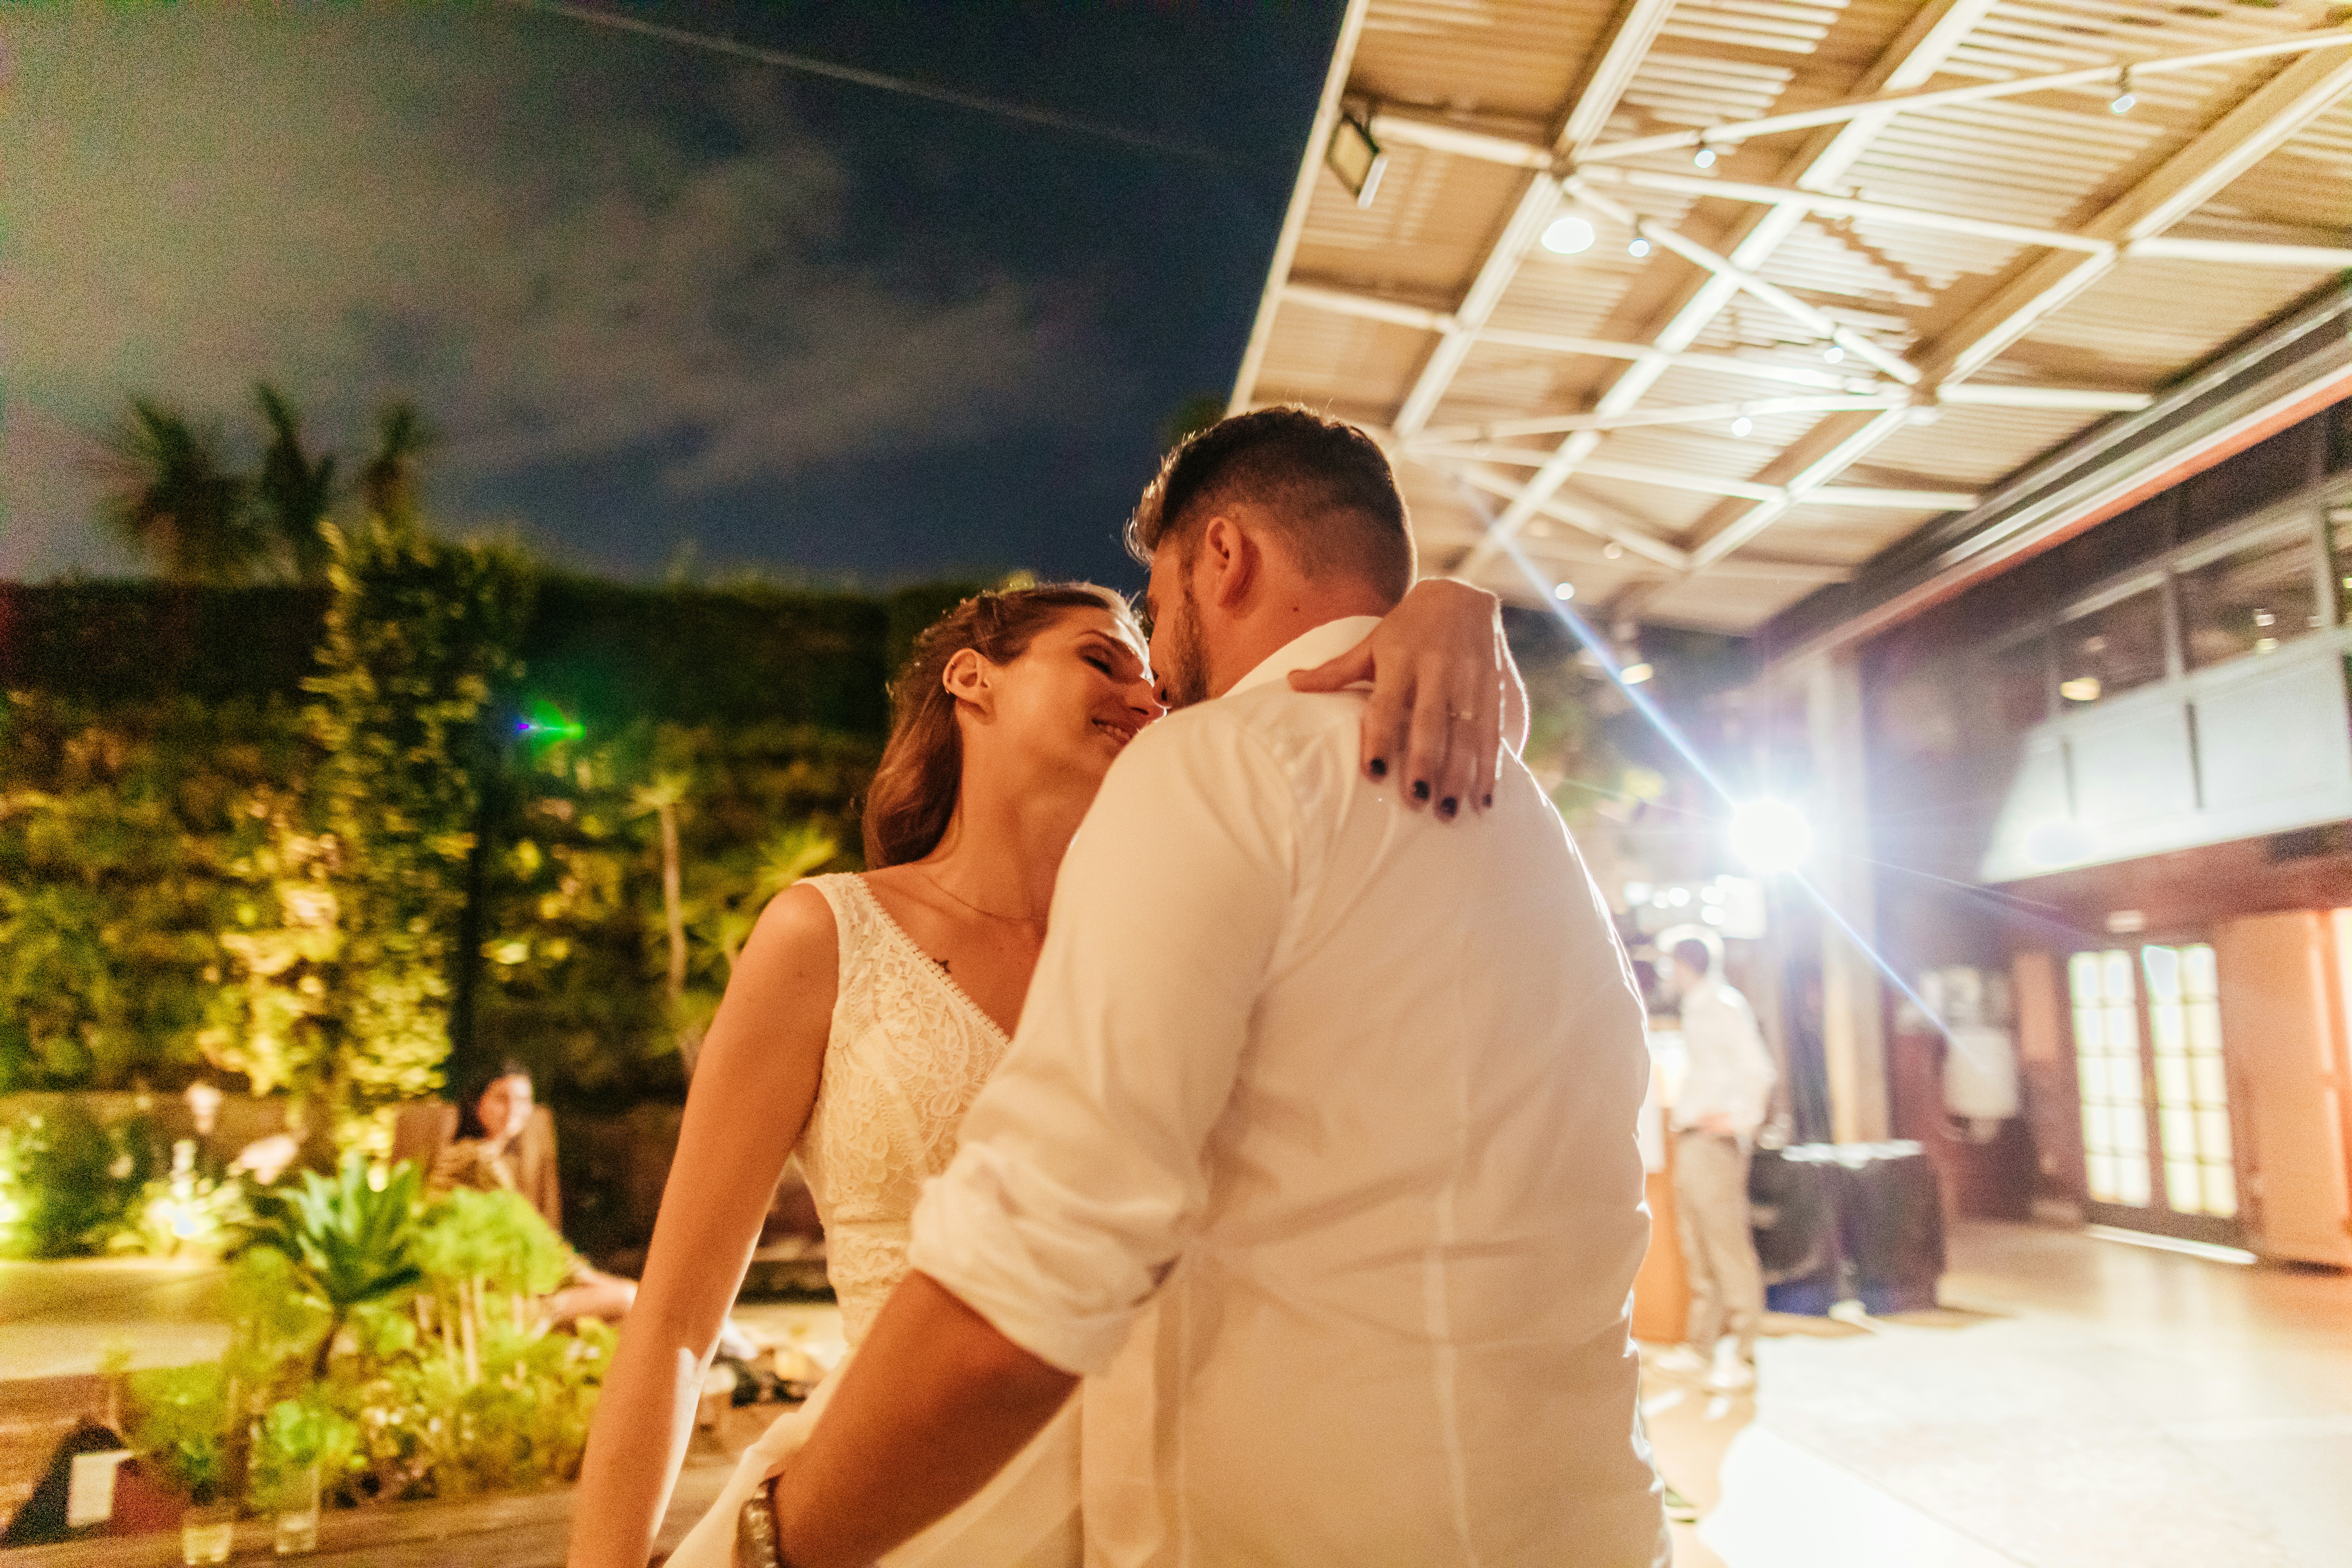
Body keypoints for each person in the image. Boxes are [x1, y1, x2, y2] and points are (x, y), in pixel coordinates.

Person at [736, 407, 1666, 1568]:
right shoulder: (1525, 820)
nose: (1156, 681)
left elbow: (1029, 1278)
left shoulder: (1223, 766)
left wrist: (771, 1549)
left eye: (1157, 609)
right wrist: (1453, 604)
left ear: (1223, 557)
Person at [566, 564, 1526, 1568]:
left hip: (1191, 1512)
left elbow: (1379, 789)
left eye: (1159, 683)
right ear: (973, 680)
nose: (1147, 696)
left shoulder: (1179, 936)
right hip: (904, 1511)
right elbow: (675, 1320)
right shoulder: (826, 936)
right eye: (1102, 660)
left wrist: (1447, 607)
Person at [1653, 935, 1778, 1393]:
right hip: (1690, 1138)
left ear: (1685, 964)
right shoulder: (1695, 1007)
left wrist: (1740, 1121)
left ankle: (1743, 1352)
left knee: (1727, 1246)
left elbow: (1759, 1069)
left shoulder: (1723, 1005)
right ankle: (1700, 1347)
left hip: (1713, 1143)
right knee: (1696, 1246)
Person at [430, 1060, 638, 1326]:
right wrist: (590, 1278)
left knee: (621, 1302)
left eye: (523, 1101)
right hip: (485, 1303)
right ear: (477, 1103)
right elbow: (533, 1235)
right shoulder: (474, 1158)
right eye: (501, 1099)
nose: (512, 1110)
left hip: (495, 1292)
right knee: (628, 1298)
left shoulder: (477, 1154)